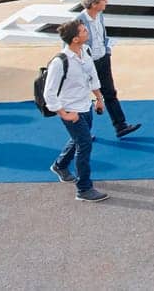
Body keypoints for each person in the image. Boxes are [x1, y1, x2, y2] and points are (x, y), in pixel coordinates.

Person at [45, 17, 109, 202]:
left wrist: (98, 98)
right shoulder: (59, 62)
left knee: (80, 139)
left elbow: (92, 75)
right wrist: (64, 114)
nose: (87, 32)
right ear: (75, 39)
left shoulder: (85, 51)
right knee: (85, 144)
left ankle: (60, 165)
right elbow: (49, 93)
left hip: (85, 105)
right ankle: (84, 189)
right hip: (71, 110)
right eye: (83, 31)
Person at [79, 0, 141, 140]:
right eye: (103, 0)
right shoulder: (79, 22)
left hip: (103, 60)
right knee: (83, 97)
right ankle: (83, 133)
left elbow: (102, 36)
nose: (107, 2)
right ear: (94, 4)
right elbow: (71, 45)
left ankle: (120, 126)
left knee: (110, 93)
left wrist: (107, 50)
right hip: (88, 64)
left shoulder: (99, 16)